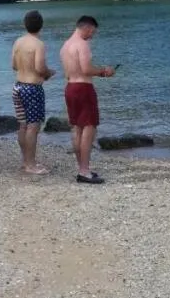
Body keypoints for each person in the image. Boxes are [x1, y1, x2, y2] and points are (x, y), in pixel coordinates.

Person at [59, 15, 116, 185]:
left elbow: (70, 72)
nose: (92, 35)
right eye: (93, 32)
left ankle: (82, 168)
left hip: (70, 87)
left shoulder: (65, 46)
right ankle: (84, 171)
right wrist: (103, 71)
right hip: (83, 89)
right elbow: (85, 69)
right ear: (87, 28)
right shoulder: (82, 44)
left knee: (77, 127)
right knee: (89, 127)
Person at [11, 10, 55, 175]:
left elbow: (14, 66)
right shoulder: (39, 44)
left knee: (23, 125)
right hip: (32, 88)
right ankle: (31, 165)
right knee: (33, 126)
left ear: (25, 24)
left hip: (18, 87)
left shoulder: (18, 42)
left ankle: (25, 161)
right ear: (41, 25)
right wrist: (49, 73)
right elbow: (40, 68)